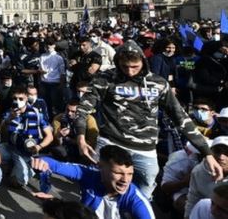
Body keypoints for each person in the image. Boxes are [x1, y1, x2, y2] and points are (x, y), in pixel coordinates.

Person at [76, 46, 221, 199]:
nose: (130, 71)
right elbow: (83, 108)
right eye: (125, 66)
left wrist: (207, 153)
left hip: (145, 149)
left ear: (143, 62)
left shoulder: (158, 83)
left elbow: (180, 117)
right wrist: (80, 137)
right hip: (111, 142)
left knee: (143, 195)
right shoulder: (104, 79)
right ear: (117, 62)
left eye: (134, 66)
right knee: (99, 190)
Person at [31, 145, 156, 218]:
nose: (125, 180)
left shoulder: (137, 201)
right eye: (118, 173)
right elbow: (56, 165)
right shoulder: (89, 174)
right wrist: (41, 161)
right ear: (100, 167)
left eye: (130, 174)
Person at [0, 85, 53, 187]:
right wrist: (9, 119)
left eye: (21, 99)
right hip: (10, 147)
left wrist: (39, 146)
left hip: (25, 152)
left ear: (26, 98)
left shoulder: (37, 114)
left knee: (17, 183)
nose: (17, 101)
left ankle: (29, 168)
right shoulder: (10, 112)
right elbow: (2, 132)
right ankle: (11, 166)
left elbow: (50, 136)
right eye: (15, 98)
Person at [185, 136, 228, 217]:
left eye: (227, 153)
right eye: (217, 151)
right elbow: (193, 199)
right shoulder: (199, 171)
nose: (221, 157)